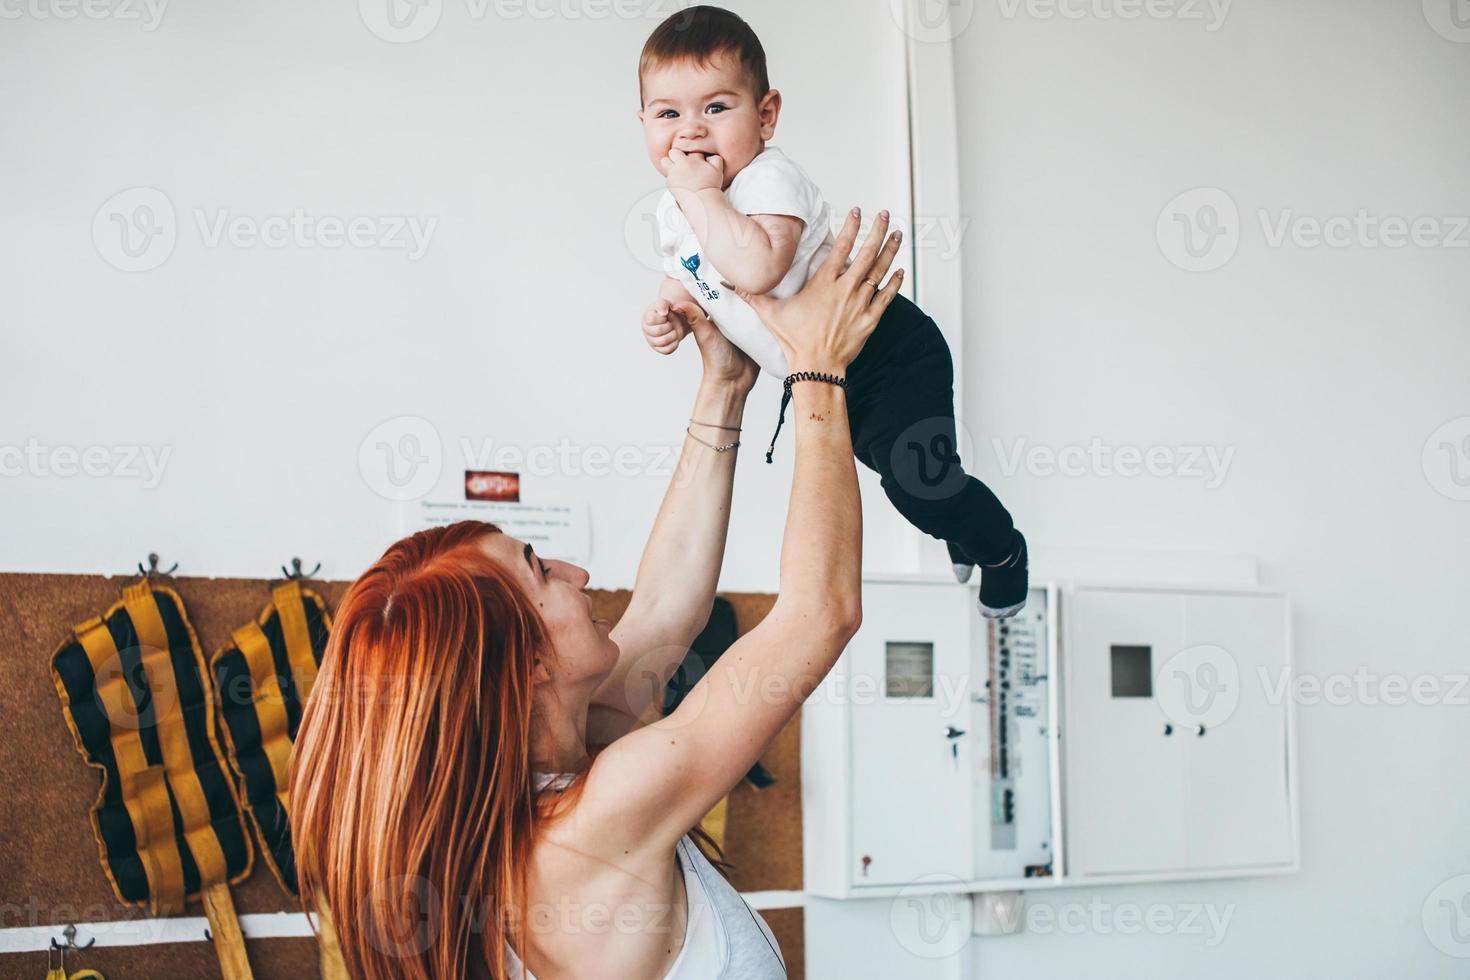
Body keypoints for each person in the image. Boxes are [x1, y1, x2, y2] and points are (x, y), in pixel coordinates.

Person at [290, 209, 904, 979]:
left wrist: (724, 384)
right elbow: (821, 613)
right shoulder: (597, 820)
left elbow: (663, 608)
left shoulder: (561, 772)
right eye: (542, 571)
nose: (578, 574)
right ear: (529, 666)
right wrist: (819, 370)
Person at [637, 5, 1029, 617]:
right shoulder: (677, 210)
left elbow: (757, 267)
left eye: (716, 108)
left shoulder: (769, 181)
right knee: (897, 479)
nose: (690, 132)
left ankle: (1003, 550)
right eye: (668, 114)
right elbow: (687, 272)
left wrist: (698, 194)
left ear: (765, 115)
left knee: (918, 486)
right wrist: (667, 310)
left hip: (888, 352)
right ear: (643, 125)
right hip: (827, 371)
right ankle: (959, 525)